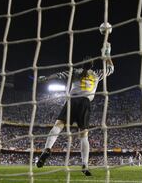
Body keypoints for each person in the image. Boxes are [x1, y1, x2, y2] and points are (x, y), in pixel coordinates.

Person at [36, 42, 114, 177]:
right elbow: (111, 69)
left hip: (72, 100)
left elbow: (59, 75)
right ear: (92, 65)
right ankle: (84, 164)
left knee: (58, 126)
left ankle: (47, 149)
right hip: (85, 103)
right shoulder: (96, 74)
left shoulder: (75, 72)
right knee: (84, 135)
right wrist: (107, 55)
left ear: (82, 63)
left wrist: (46, 78)